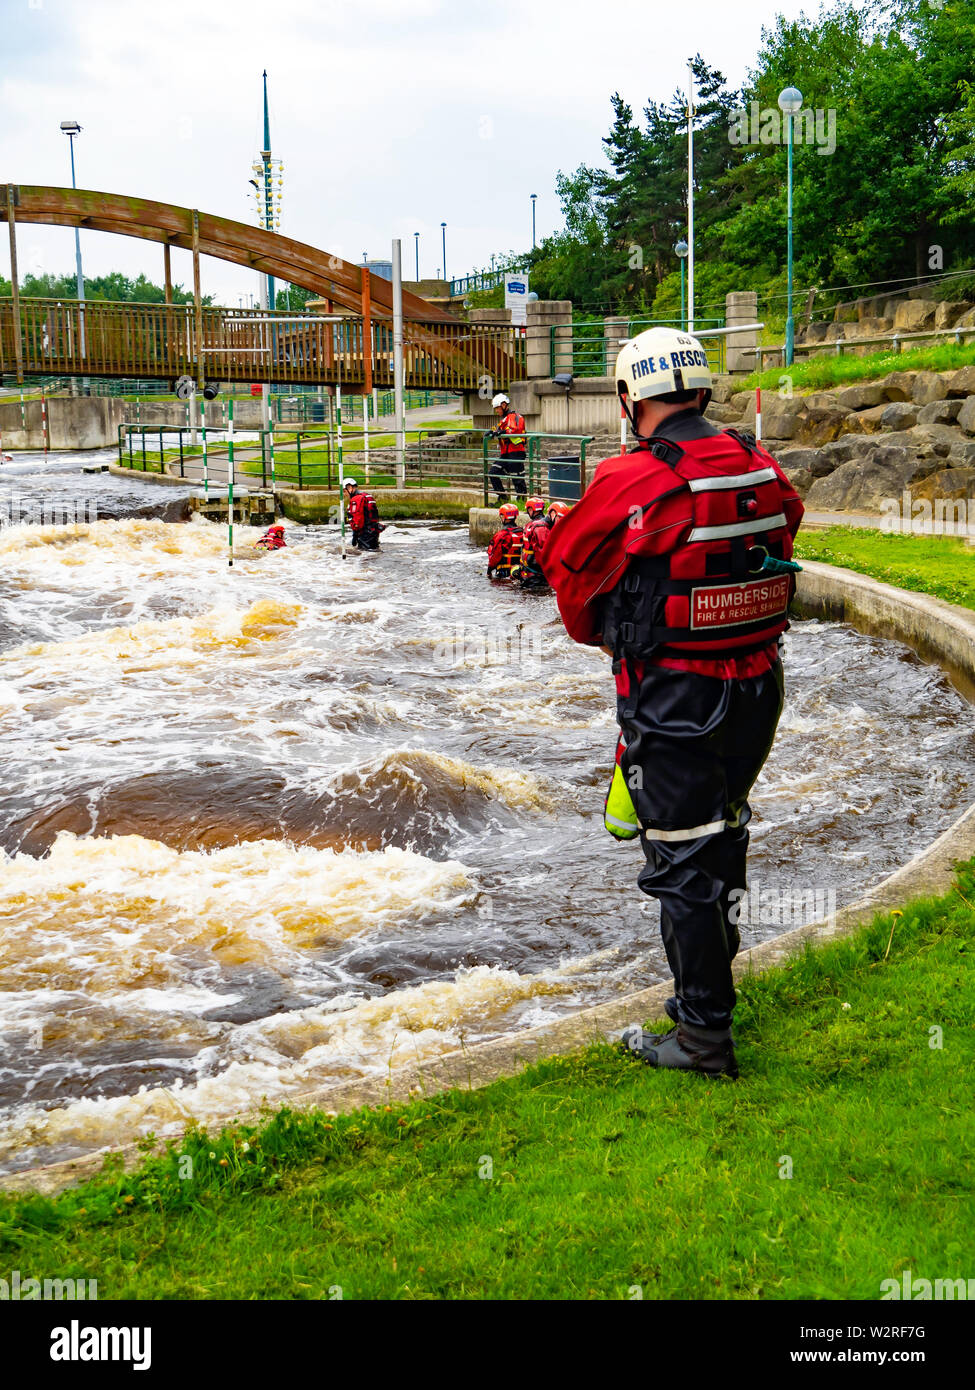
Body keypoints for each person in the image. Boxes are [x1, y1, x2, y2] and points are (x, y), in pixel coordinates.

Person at [541, 327, 804, 1079]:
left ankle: (701, 1040)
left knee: (685, 859)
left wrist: (620, 631)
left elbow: (570, 577)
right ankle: (707, 1009)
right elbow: (782, 527)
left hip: (679, 696)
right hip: (759, 685)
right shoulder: (756, 460)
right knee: (724, 836)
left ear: (630, 400)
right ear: (701, 390)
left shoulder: (632, 478)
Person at [488, 392, 527, 503]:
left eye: (498, 408)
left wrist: (502, 432)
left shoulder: (515, 417)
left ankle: (522, 501)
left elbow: (514, 429)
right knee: (493, 472)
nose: (497, 411)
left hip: (516, 453)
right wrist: (493, 431)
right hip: (505, 453)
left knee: (517, 478)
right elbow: (502, 429)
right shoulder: (504, 420)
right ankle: (503, 497)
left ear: (504, 405)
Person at [343, 478, 384, 550]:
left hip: (365, 534)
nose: (344, 494)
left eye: (344, 491)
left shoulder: (356, 499)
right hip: (374, 531)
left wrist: (355, 536)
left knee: (365, 558)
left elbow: (358, 521)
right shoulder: (366, 495)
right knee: (373, 554)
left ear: (350, 488)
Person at [487, 502, 524, 580]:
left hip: (505, 573)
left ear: (504, 517)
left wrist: (489, 571)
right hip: (520, 572)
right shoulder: (523, 532)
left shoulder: (502, 535)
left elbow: (494, 556)